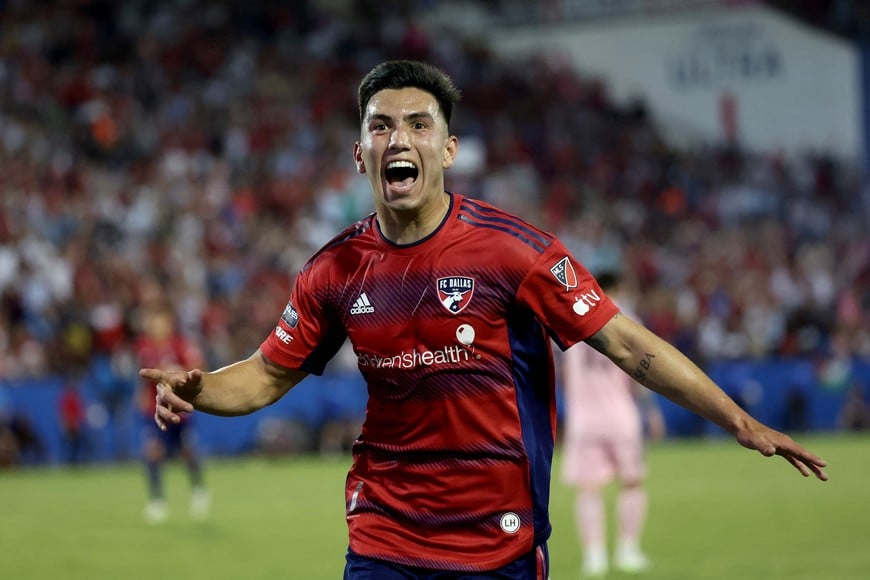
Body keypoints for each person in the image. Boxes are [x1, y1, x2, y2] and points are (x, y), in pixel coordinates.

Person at [142, 60, 828, 578]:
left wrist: (739, 420)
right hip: (383, 536)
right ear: (360, 155)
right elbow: (265, 376)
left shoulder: (514, 253)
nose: (396, 137)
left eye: (418, 124)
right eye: (379, 126)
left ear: (447, 150)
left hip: (497, 542)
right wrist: (199, 389)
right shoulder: (333, 271)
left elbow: (627, 343)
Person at [560, 271, 665, 577]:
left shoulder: (570, 317)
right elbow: (641, 369)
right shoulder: (625, 317)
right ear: (618, 287)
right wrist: (652, 410)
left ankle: (594, 557)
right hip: (621, 416)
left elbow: (564, 374)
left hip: (584, 418)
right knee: (631, 482)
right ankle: (627, 550)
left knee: (588, 489)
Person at [134, 303, 210, 524]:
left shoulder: (181, 345)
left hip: (179, 409)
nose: (157, 327)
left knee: (187, 451)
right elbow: (143, 379)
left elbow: (198, 368)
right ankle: (157, 501)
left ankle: (198, 490)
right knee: (153, 452)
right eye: (153, 323)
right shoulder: (144, 347)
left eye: (161, 322)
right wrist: (141, 396)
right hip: (155, 410)